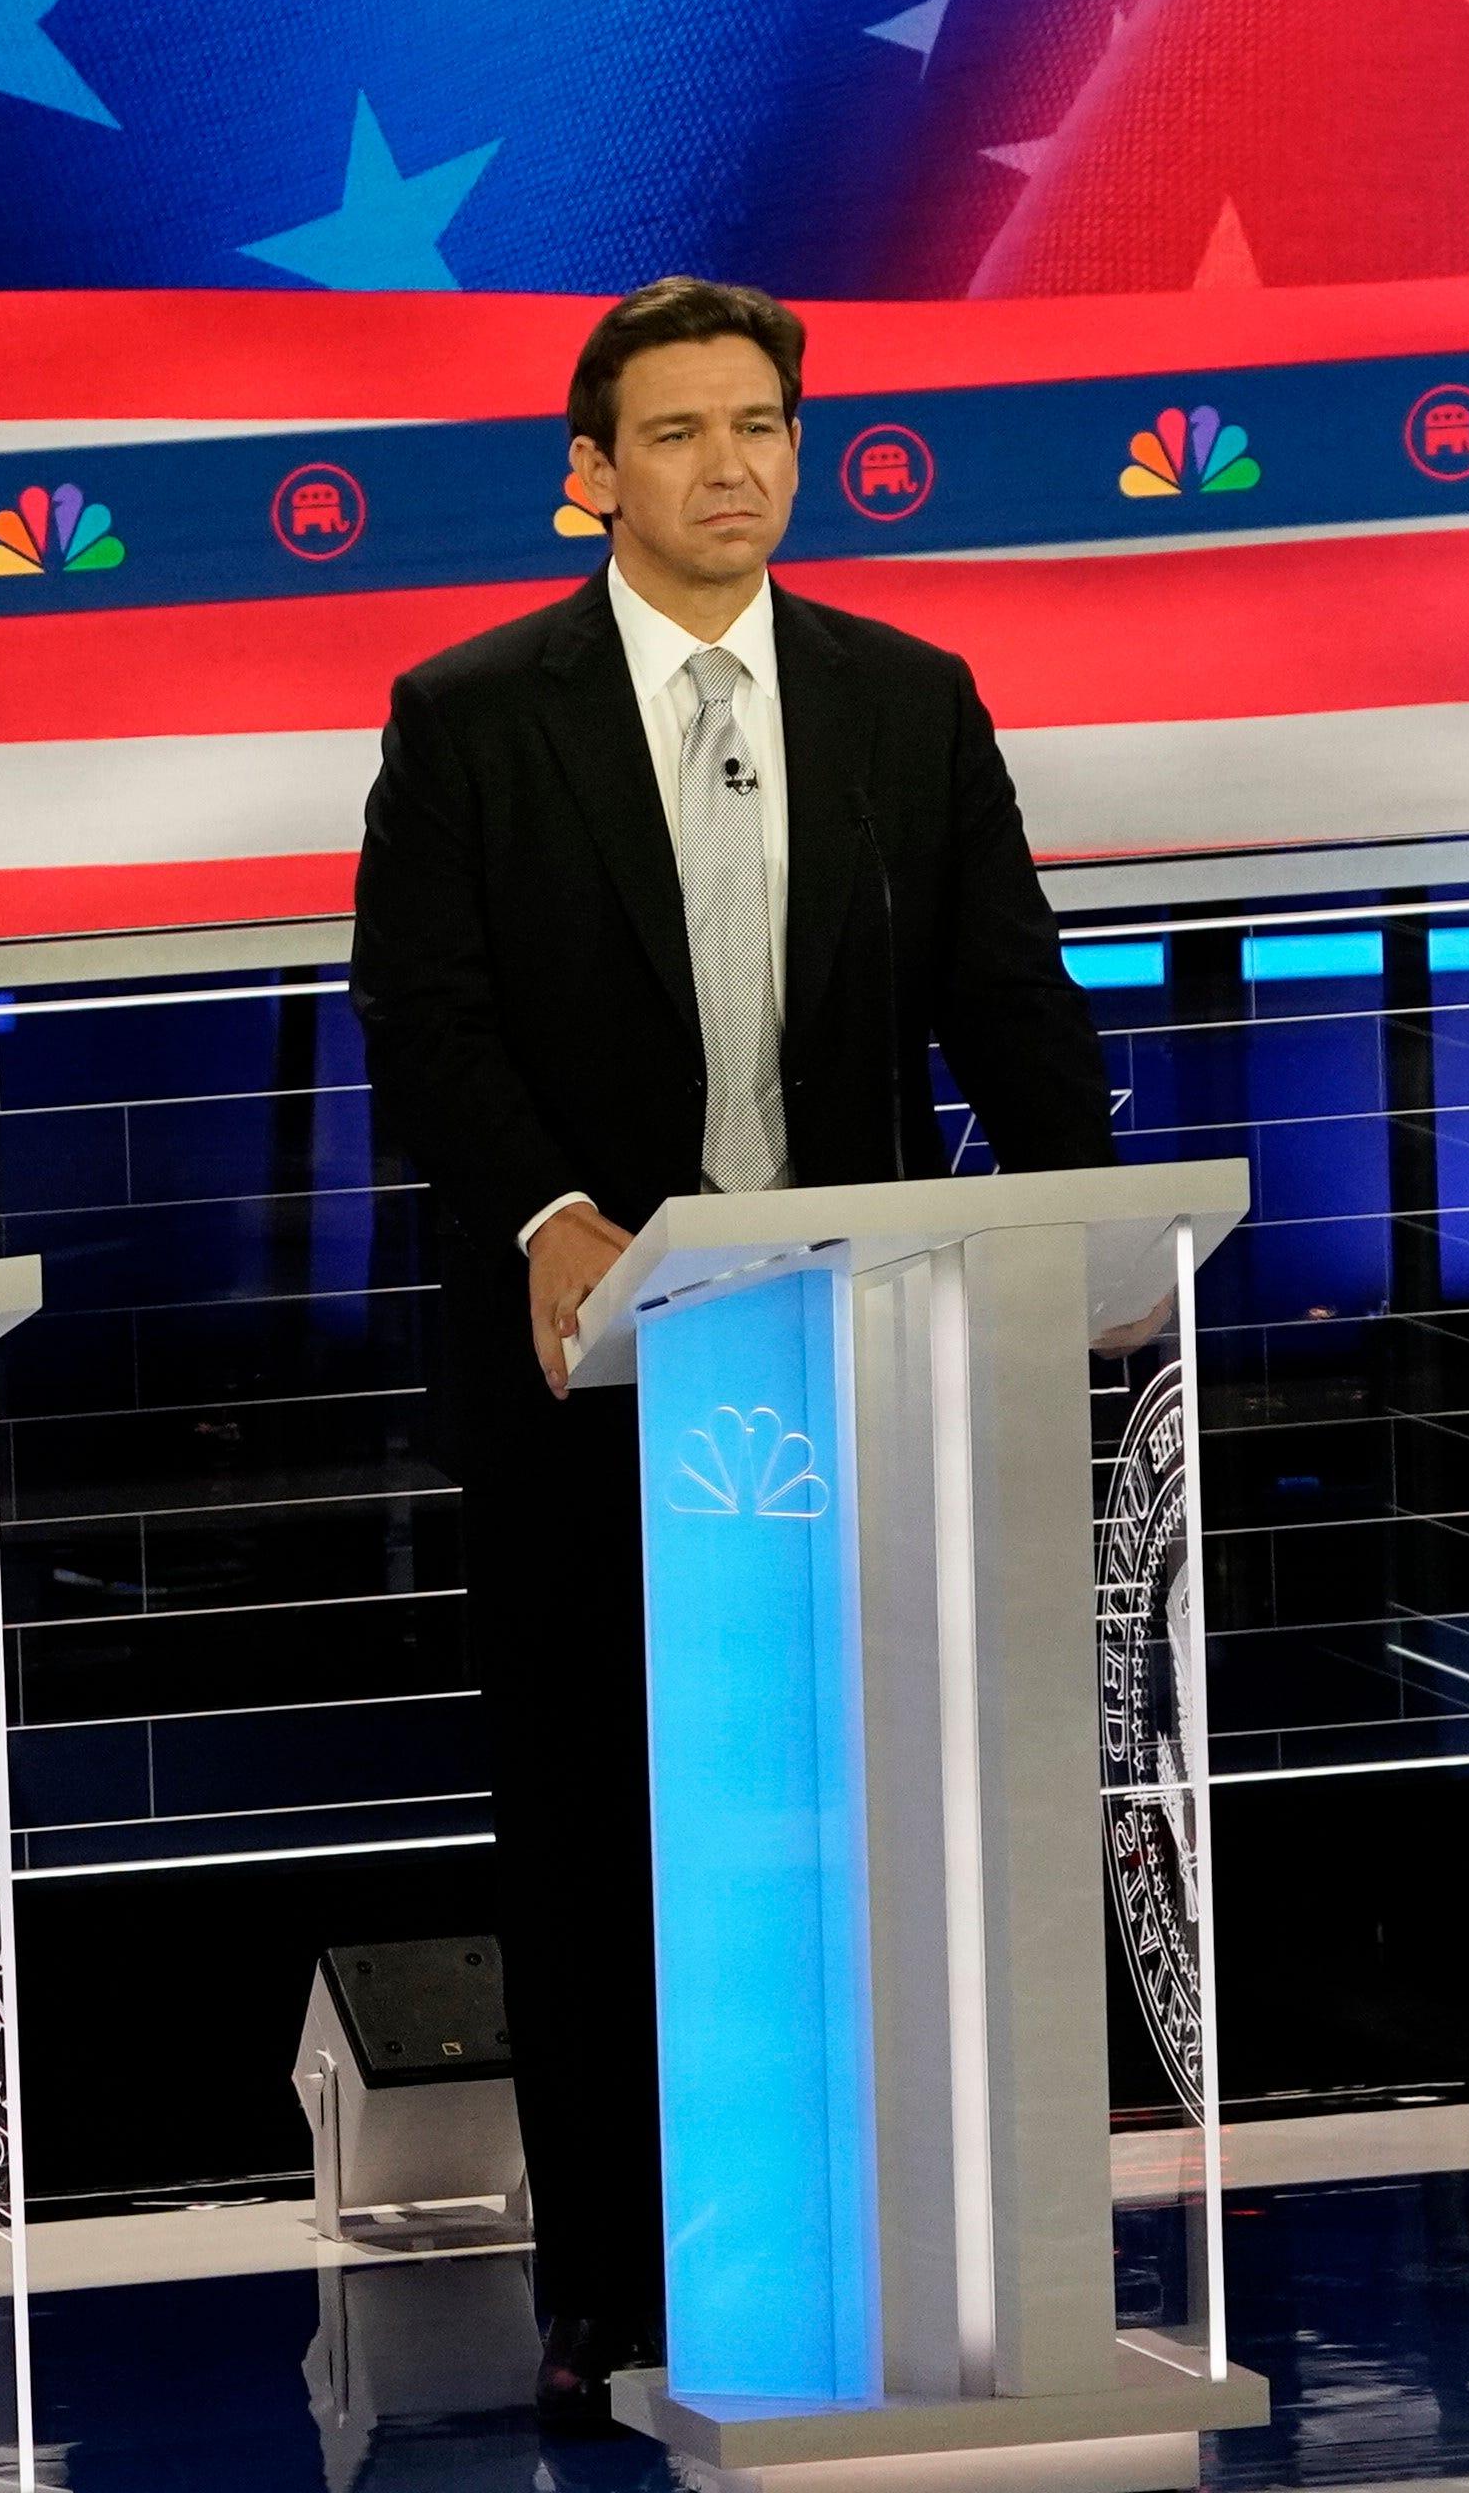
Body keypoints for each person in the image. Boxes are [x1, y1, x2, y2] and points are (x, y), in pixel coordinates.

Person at [349, 278, 1120, 2429]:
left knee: (847, 1812)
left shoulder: (905, 698)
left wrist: (1083, 1213)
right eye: (679, 433)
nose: (729, 468)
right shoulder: (473, 709)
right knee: (599, 1831)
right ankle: (612, 2289)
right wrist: (547, 1213)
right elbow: (423, 1011)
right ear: (597, 468)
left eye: (760, 426)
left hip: (848, 1366)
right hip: (585, 1363)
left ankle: (870, 2238)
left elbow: (1010, 998)